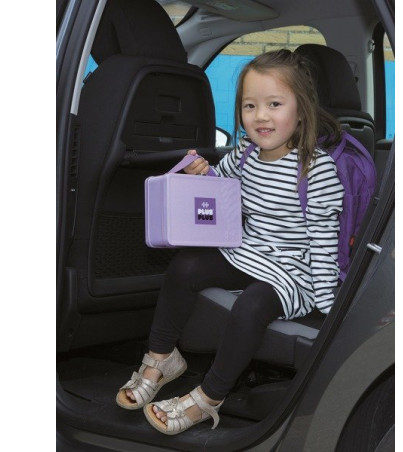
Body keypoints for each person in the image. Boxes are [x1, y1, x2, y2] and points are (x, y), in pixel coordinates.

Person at [116, 49, 345, 435]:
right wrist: (201, 174)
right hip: (249, 250)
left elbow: (324, 244)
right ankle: (161, 358)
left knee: (250, 306)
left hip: (292, 270)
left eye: (275, 104)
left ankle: (209, 397)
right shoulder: (245, 154)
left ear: (302, 110)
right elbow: (222, 193)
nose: (261, 116)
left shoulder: (316, 169)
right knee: (187, 265)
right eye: (250, 106)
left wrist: (329, 309)